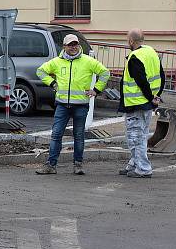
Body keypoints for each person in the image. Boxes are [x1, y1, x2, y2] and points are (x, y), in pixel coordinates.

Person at [35, 34, 110, 175]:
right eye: (70, 45)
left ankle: (78, 165)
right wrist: (52, 83)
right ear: (64, 47)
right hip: (62, 105)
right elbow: (40, 71)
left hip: (81, 105)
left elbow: (105, 72)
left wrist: (96, 90)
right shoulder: (57, 62)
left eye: (75, 44)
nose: (73, 47)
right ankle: (51, 165)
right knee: (56, 134)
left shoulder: (88, 61)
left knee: (79, 135)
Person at [119, 28, 165, 178]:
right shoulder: (151, 52)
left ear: (131, 41)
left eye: (128, 40)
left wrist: (150, 96)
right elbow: (162, 76)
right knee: (141, 135)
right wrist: (156, 95)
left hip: (136, 103)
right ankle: (133, 164)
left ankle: (143, 169)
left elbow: (141, 80)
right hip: (147, 104)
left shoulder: (135, 57)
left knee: (135, 137)